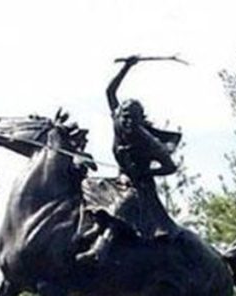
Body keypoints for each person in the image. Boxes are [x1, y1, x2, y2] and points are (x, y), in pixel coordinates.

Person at [77, 56, 183, 265]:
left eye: (132, 118)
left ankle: (99, 250)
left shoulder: (147, 141)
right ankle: (95, 227)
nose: (127, 121)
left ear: (140, 120)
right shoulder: (118, 121)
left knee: (123, 204)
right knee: (88, 186)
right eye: (124, 116)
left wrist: (146, 173)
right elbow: (110, 91)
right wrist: (127, 67)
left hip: (140, 186)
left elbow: (170, 167)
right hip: (121, 179)